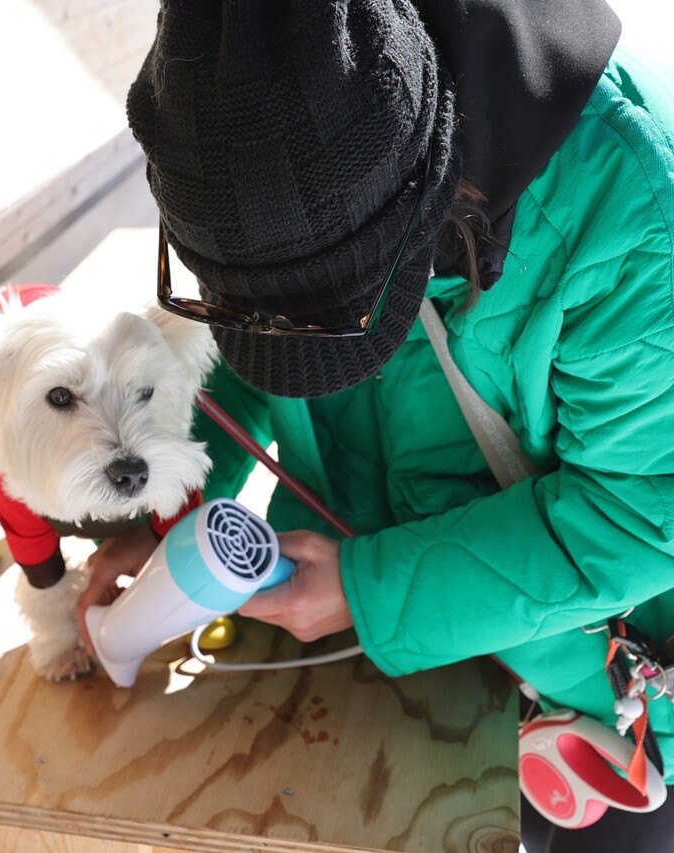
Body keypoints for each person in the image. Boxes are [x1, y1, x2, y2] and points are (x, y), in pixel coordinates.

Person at [73, 1, 674, 849]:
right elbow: (260, 347)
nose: (282, 340)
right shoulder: (246, 118)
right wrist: (175, 495)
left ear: (430, 185)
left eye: (333, 316)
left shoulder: (634, 210)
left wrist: (371, 590)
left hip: (596, 686)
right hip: (366, 627)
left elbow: (637, 513)